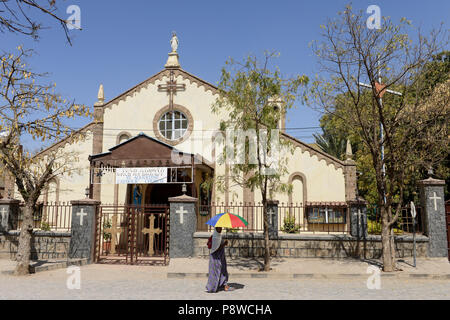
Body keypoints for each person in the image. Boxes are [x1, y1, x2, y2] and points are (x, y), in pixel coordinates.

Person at [205, 227, 233, 293]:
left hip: (221, 256)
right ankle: (212, 287)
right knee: (215, 272)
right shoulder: (215, 237)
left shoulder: (219, 236)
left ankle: (223, 285)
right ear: (216, 229)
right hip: (215, 257)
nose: (220, 229)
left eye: (221, 228)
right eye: (218, 228)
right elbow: (216, 248)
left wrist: (224, 243)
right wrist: (224, 244)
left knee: (223, 270)